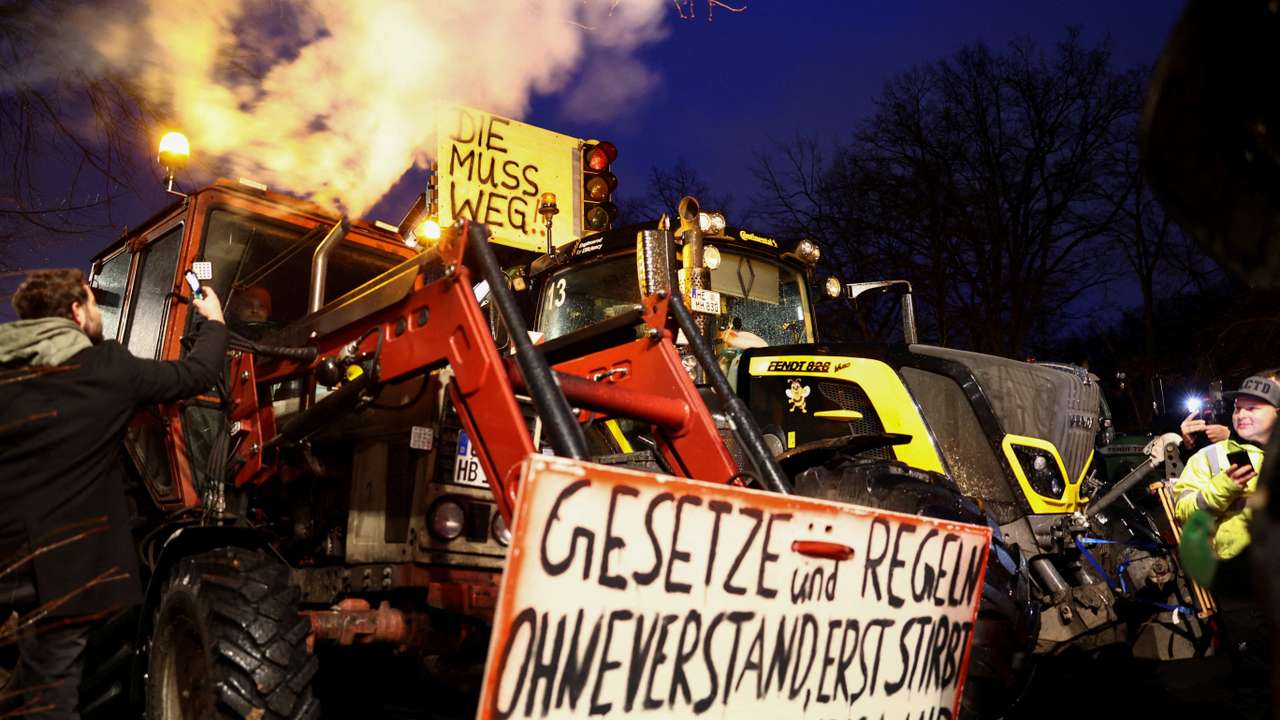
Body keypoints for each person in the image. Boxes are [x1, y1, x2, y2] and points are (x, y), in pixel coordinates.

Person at [0, 268, 226, 719]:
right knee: (52, 694)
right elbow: (195, 374)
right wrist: (214, 321)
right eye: (93, 303)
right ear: (75, 310)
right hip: (65, 570)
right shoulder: (105, 368)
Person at [1172, 371, 1278, 719]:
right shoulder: (1212, 457)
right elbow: (1184, 508)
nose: (1242, 414)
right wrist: (1224, 487)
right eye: (1238, 407)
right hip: (1242, 582)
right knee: (1255, 676)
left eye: (1254, 408)